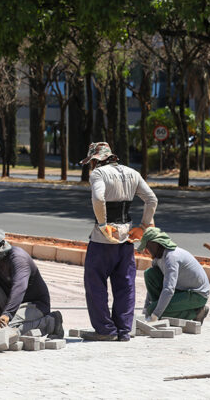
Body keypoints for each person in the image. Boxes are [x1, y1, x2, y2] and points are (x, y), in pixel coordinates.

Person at [80, 142, 158, 341]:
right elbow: (152, 200)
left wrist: (103, 223)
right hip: (126, 238)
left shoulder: (98, 174)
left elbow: (98, 198)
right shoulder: (133, 173)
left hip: (103, 240)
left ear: (96, 159)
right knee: (125, 285)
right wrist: (143, 226)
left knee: (95, 284)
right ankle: (123, 330)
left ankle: (105, 330)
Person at [0, 224, 64, 338]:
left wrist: (7, 314)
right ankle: (6, 322)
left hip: (34, 305)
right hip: (11, 305)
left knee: (10, 331)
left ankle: (52, 322)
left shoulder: (18, 258)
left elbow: (19, 288)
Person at [138, 227, 210, 323]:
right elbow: (152, 286)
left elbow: (168, 289)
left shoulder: (171, 258)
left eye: (148, 247)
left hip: (196, 295)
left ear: (155, 244)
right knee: (150, 274)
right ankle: (160, 309)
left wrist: (155, 314)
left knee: (154, 310)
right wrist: (146, 309)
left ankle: (197, 312)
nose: (147, 250)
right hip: (180, 290)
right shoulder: (158, 258)